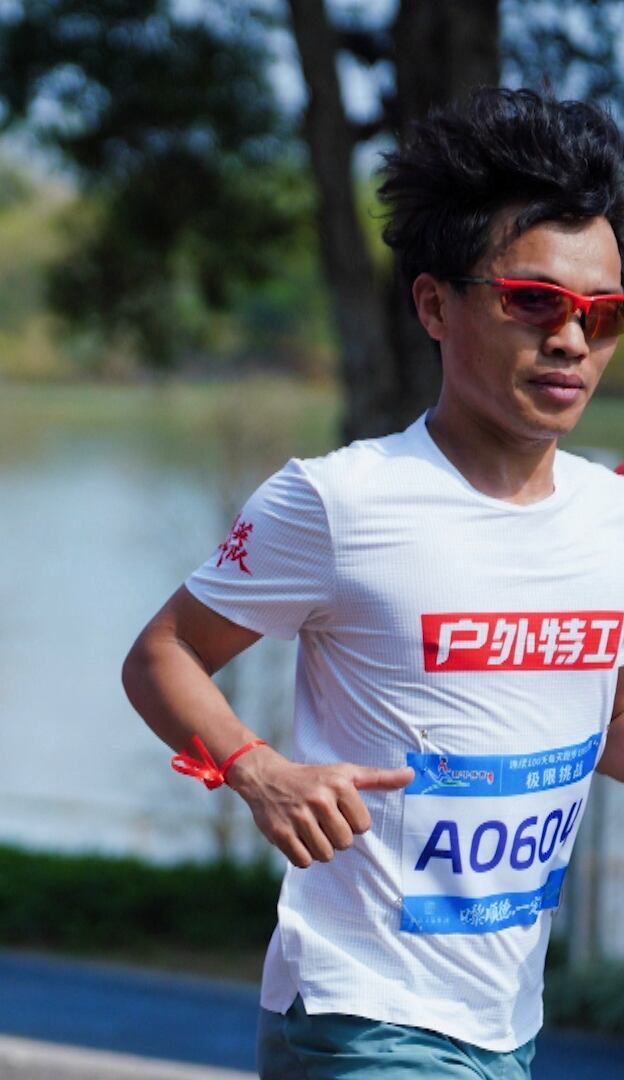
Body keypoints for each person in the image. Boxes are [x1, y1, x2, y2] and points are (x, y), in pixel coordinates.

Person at [122, 88, 624, 1078]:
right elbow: (161, 654)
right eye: (533, 301)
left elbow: (596, 727)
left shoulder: (609, 515)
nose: (571, 340)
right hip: (362, 1014)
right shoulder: (339, 501)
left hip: (507, 1021)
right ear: (436, 305)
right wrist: (256, 770)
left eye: (603, 314)